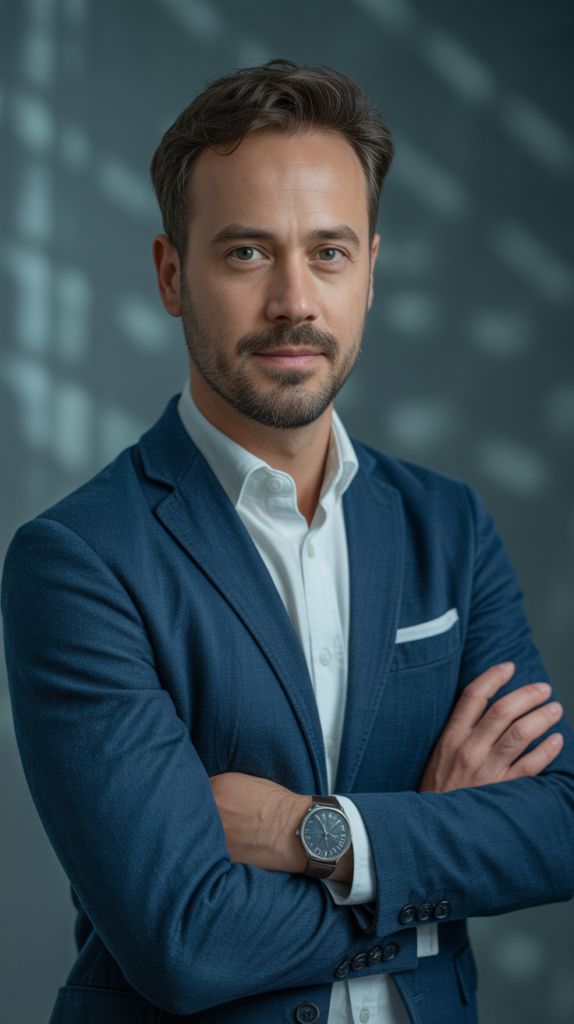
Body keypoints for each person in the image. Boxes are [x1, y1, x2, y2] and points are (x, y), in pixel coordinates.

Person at [2, 60, 573, 1024]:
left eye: (330, 253)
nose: (295, 302)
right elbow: (185, 941)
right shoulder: (76, 561)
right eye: (247, 254)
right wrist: (430, 853)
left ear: (373, 271)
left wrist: (322, 836)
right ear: (171, 274)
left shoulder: (450, 524)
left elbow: (557, 825)